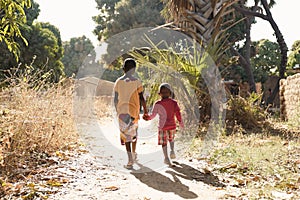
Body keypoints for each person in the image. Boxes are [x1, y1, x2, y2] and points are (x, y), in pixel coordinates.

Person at [114, 58, 148, 169]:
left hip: (122, 113)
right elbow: (142, 98)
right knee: (133, 134)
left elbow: (115, 99)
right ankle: (133, 153)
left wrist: (117, 110)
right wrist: (146, 111)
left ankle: (130, 160)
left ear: (123, 69)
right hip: (134, 112)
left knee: (126, 136)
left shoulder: (118, 81)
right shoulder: (137, 82)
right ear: (134, 70)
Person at [144, 83, 184, 166]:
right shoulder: (173, 103)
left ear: (170, 93)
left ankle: (168, 155)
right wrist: (180, 122)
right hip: (170, 126)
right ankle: (169, 154)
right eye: (163, 92)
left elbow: (153, 115)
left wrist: (148, 118)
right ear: (159, 93)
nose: (165, 93)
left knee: (165, 142)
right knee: (170, 140)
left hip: (164, 127)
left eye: (166, 92)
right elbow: (177, 113)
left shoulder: (159, 103)